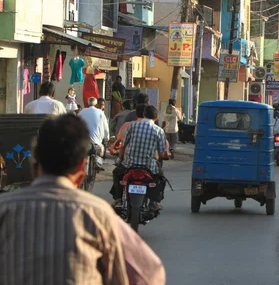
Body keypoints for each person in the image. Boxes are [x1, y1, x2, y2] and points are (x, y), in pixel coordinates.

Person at [0, 114, 166, 285]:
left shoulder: (4, 208)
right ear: (81, 168)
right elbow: (149, 274)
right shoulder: (98, 214)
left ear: (34, 163)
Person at [113, 105, 170, 210]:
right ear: (156, 117)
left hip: (130, 164)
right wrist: (167, 155)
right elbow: (162, 154)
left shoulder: (133, 126)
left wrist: (120, 159)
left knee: (117, 173)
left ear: (144, 115)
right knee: (160, 177)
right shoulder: (159, 131)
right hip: (149, 166)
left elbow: (123, 145)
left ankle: (118, 199)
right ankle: (154, 201)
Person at [78, 97, 110, 167]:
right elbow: (106, 129)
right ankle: (99, 162)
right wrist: (107, 138)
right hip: (96, 143)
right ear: (96, 105)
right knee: (101, 150)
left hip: (83, 143)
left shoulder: (82, 112)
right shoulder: (101, 113)